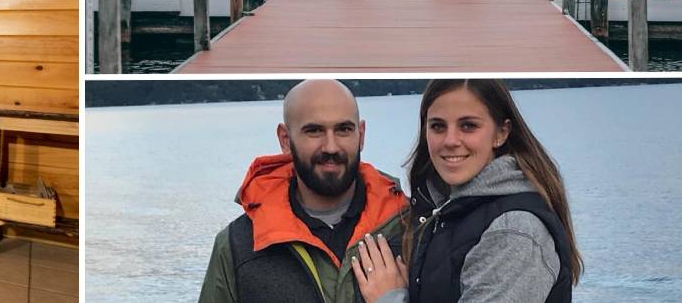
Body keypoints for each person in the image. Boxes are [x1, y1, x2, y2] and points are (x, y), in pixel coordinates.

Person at [351, 79, 583, 303]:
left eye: (468, 126)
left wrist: (390, 299)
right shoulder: (445, 214)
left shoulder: (514, 231)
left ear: (501, 132)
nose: (450, 140)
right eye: (438, 126)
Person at [199, 80, 408, 303]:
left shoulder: (410, 227)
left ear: (361, 134)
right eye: (314, 131)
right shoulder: (237, 246)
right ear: (285, 140)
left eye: (343, 129)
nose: (331, 147)